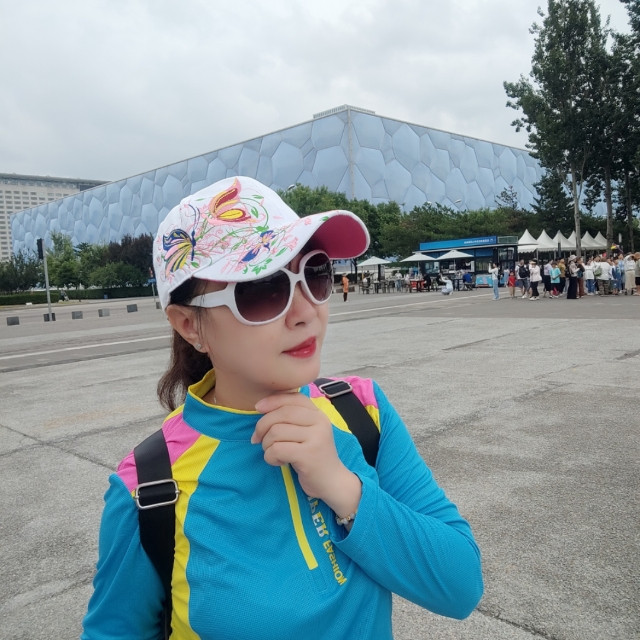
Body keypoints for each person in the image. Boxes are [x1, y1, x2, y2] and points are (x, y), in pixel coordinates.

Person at [81, 176, 483, 639]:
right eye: (263, 289)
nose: (305, 310)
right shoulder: (150, 486)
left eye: (314, 273)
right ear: (190, 325)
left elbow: (460, 586)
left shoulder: (362, 411)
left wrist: (343, 485)